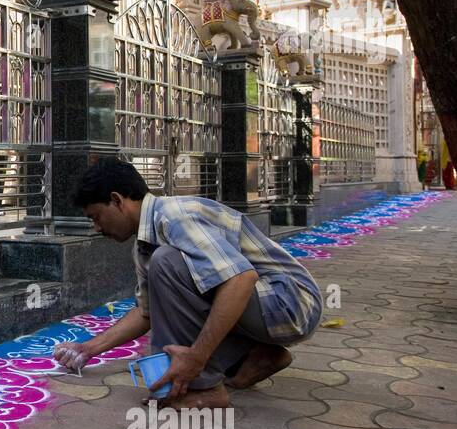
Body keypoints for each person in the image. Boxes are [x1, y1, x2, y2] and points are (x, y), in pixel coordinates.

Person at [53, 158, 322, 410]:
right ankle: (253, 356)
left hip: (290, 302)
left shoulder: (174, 217)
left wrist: (196, 359)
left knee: (167, 261)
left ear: (117, 200)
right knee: (166, 266)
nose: (97, 228)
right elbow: (146, 312)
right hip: (265, 308)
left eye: (96, 217)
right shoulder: (145, 243)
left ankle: (204, 388)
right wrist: (88, 349)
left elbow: (241, 279)